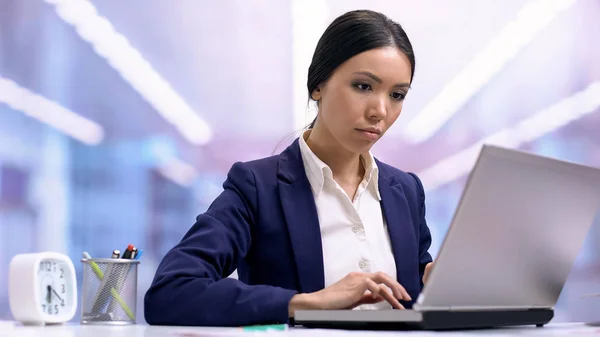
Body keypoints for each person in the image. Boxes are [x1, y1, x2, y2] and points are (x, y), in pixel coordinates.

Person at [144, 9, 434, 327]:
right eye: (364, 86)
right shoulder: (257, 186)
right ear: (318, 86)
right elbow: (171, 293)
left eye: (397, 95)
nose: (380, 110)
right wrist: (306, 303)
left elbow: (412, 306)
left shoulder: (406, 191)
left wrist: (435, 290)